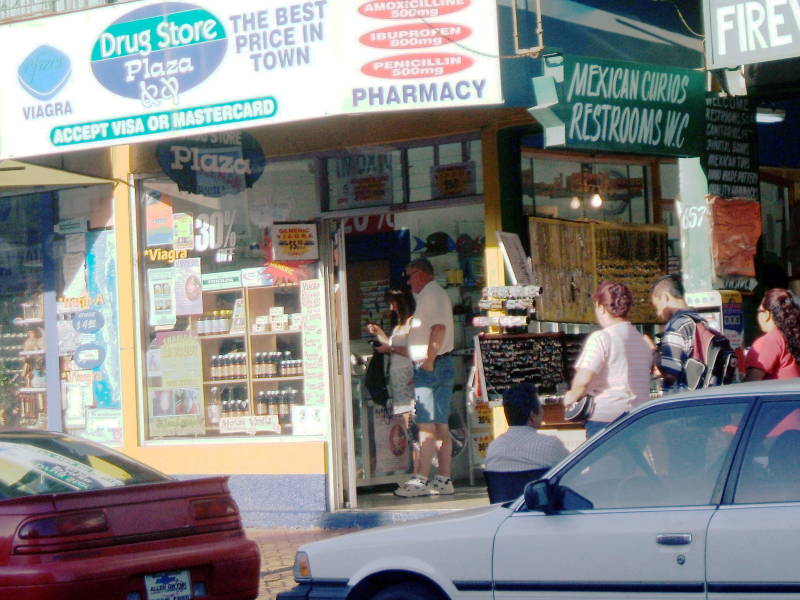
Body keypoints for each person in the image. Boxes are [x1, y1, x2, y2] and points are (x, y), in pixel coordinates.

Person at [394, 258, 456, 497]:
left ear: (421, 273)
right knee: (441, 426)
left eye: (409, 276)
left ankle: (420, 479)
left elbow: (438, 329)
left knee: (426, 426)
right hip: (438, 364)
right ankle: (443, 478)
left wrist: (427, 362)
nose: (408, 282)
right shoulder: (435, 294)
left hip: (432, 366)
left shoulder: (431, 295)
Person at [564, 281, 653, 438]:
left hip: (606, 421)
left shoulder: (602, 338)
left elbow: (583, 382)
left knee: (605, 463)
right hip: (638, 419)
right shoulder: (641, 341)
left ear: (600, 307)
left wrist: (570, 396)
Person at [367, 287, 419, 473]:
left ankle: (420, 471)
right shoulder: (398, 325)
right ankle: (417, 470)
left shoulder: (412, 323)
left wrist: (391, 350)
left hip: (407, 376)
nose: (390, 307)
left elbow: (415, 351)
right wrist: (380, 333)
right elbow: (392, 346)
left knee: (413, 426)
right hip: (397, 378)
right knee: (408, 426)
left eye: (392, 302)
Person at [485, 382, 568, 472]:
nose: (542, 411)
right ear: (532, 416)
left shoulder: (494, 447)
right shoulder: (551, 445)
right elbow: (572, 474)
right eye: (541, 407)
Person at [650, 274, 705, 393]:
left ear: (665, 297)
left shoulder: (676, 326)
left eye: (657, 307)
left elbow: (671, 375)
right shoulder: (699, 321)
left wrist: (653, 352)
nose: (658, 314)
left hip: (682, 402)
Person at [744, 288, 800, 381]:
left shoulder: (769, 341)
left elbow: (750, 385)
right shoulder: (793, 336)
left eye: (759, 311)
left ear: (767, 315)